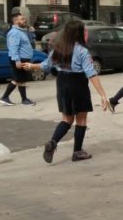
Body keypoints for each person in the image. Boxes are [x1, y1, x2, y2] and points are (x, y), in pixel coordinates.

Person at [25, 20, 109, 163]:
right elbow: (91, 73)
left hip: (62, 83)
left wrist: (31, 66)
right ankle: (77, 152)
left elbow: (46, 65)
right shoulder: (82, 51)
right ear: (79, 33)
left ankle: (53, 142)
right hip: (78, 84)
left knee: (66, 119)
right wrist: (102, 95)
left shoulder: (58, 49)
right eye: (84, 31)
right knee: (81, 119)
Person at [0, 12, 37, 106]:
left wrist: (31, 32)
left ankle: (21, 99)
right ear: (16, 21)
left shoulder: (20, 31)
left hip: (23, 58)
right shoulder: (14, 33)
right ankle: (7, 98)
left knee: (21, 79)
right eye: (22, 19)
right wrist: (17, 60)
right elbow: (13, 48)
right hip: (19, 59)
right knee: (18, 79)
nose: (25, 20)